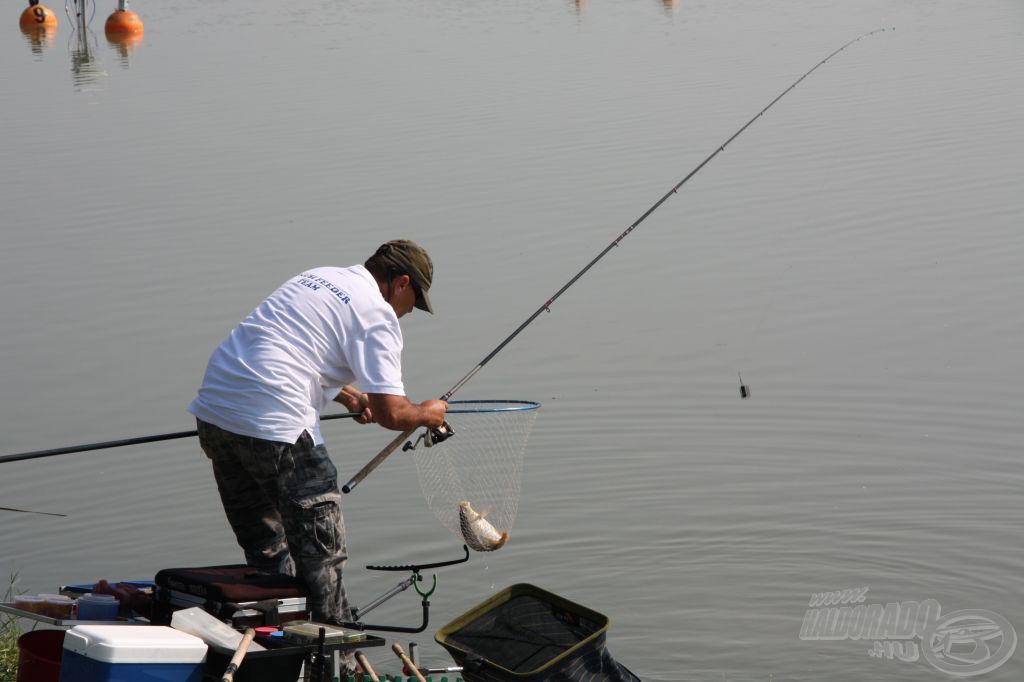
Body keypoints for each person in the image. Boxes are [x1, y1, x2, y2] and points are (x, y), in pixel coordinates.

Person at [187, 240, 448, 630]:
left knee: (266, 550)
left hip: (217, 415)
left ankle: (276, 642)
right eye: (414, 300)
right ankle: (332, 656)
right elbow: (392, 414)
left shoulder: (318, 277)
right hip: (278, 427)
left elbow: (288, 347)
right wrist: (428, 414)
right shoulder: (377, 314)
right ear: (400, 282)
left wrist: (347, 396)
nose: (408, 311)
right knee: (323, 561)